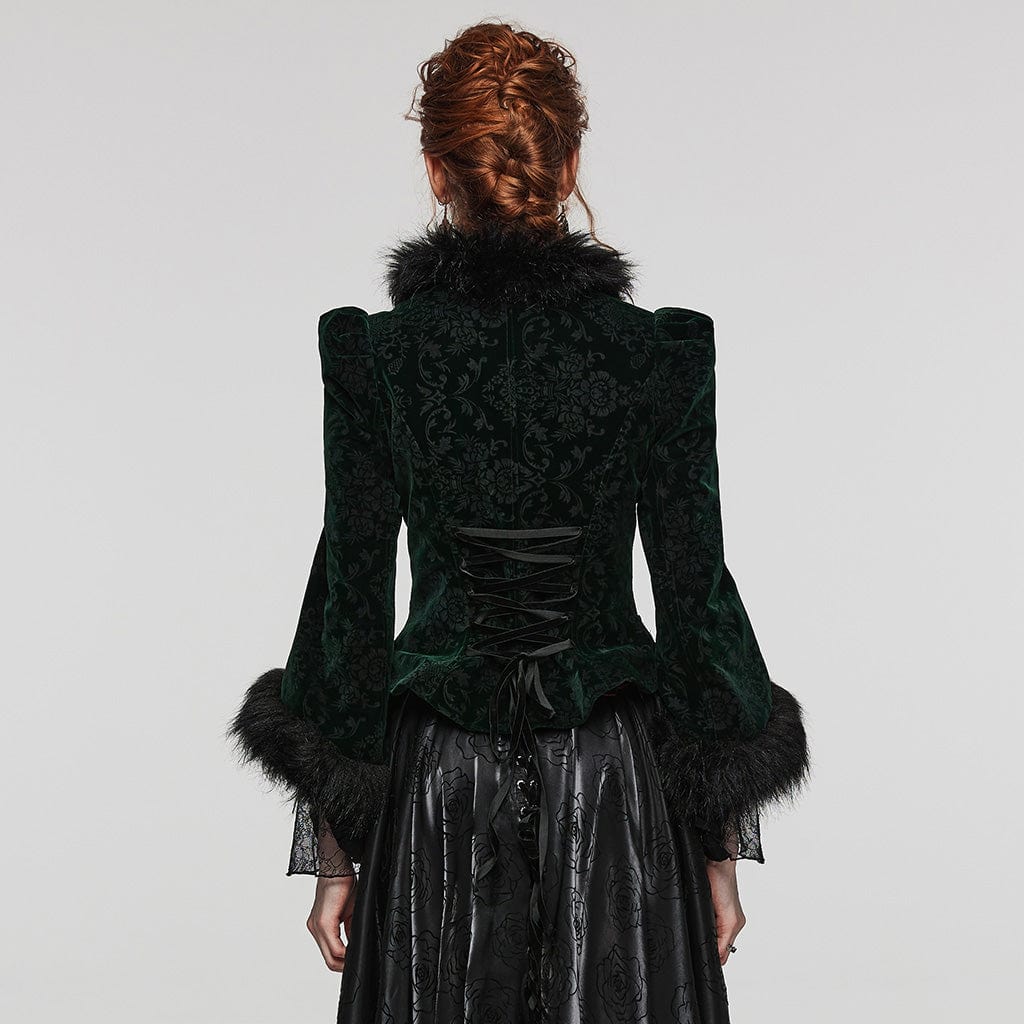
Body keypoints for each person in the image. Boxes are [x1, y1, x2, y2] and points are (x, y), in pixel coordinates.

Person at [227, 19, 810, 1024]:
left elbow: (349, 598)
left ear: (434, 171)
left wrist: (336, 855)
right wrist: (717, 850)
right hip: (614, 781)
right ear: (569, 163)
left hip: (437, 784)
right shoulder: (654, 353)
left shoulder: (380, 356)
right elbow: (696, 592)